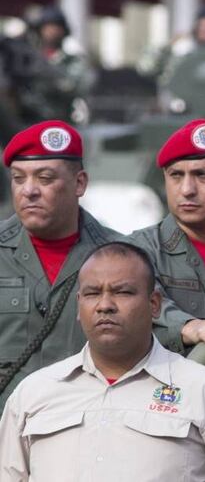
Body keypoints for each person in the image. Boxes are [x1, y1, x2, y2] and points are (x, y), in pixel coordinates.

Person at [0, 241, 205, 481]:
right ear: (79, 307)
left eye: (122, 292)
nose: (105, 305)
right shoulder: (33, 394)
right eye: (92, 294)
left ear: (154, 304)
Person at [0, 120, 122, 409]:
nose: (28, 190)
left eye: (44, 178)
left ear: (79, 183)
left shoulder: (117, 256)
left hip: (84, 429)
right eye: (18, 178)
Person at [130, 118, 205, 357]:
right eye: (176, 175)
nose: (187, 189)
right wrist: (190, 326)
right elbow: (134, 309)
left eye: (202, 175)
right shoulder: (137, 252)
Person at [21, 5, 95, 124]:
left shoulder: (72, 60)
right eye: (47, 27)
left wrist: (49, 74)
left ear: (63, 30)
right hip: (26, 122)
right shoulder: (27, 57)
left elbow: (79, 86)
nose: (51, 31)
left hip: (58, 121)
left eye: (56, 27)